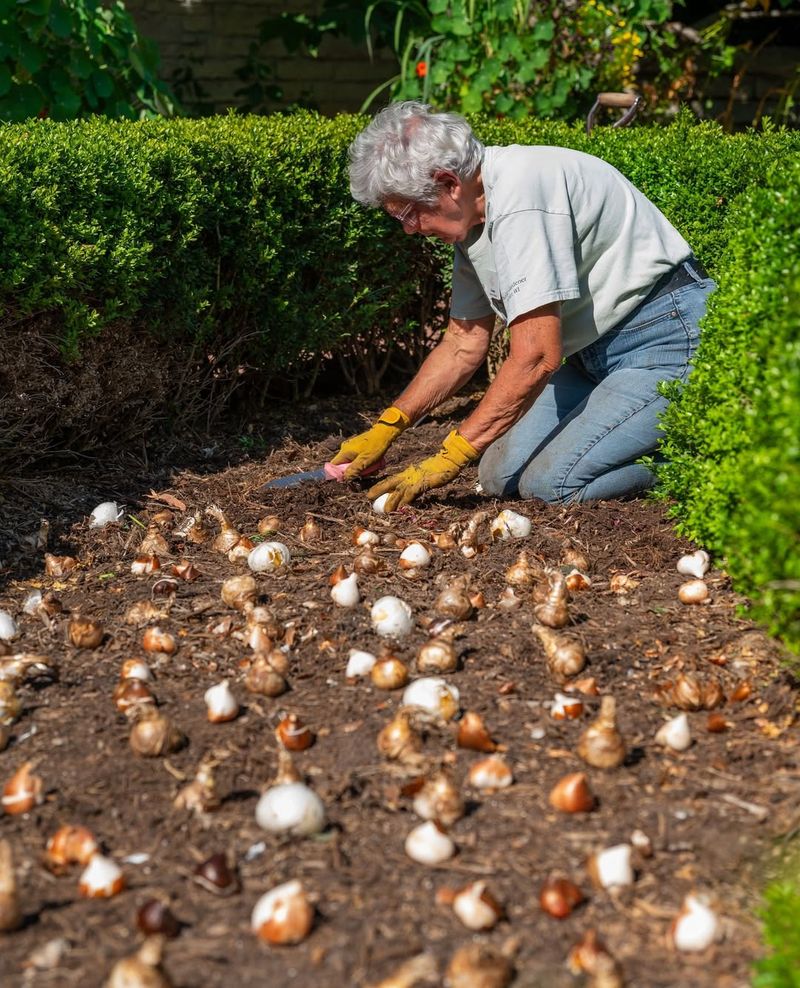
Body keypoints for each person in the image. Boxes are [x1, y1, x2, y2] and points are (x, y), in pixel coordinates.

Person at [331, 100, 715, 512]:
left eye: (409, 212)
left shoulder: (522, 193)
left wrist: (450, 457)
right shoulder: (471, 222)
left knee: (553, 485)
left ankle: (696, 464)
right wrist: (389, 426)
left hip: (667, 342)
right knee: (498, 475)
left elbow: (536, 357)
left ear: (448, 183)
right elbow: (462, 344)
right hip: (592, 359)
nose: (408, 229)